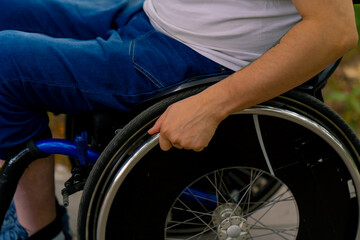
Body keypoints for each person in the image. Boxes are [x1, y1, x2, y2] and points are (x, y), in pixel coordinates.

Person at [0, 0, 358, 239]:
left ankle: (39, 232)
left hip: (196, 56)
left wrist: (211, 105)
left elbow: (333, 31)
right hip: (158, 17)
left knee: (5, 62)